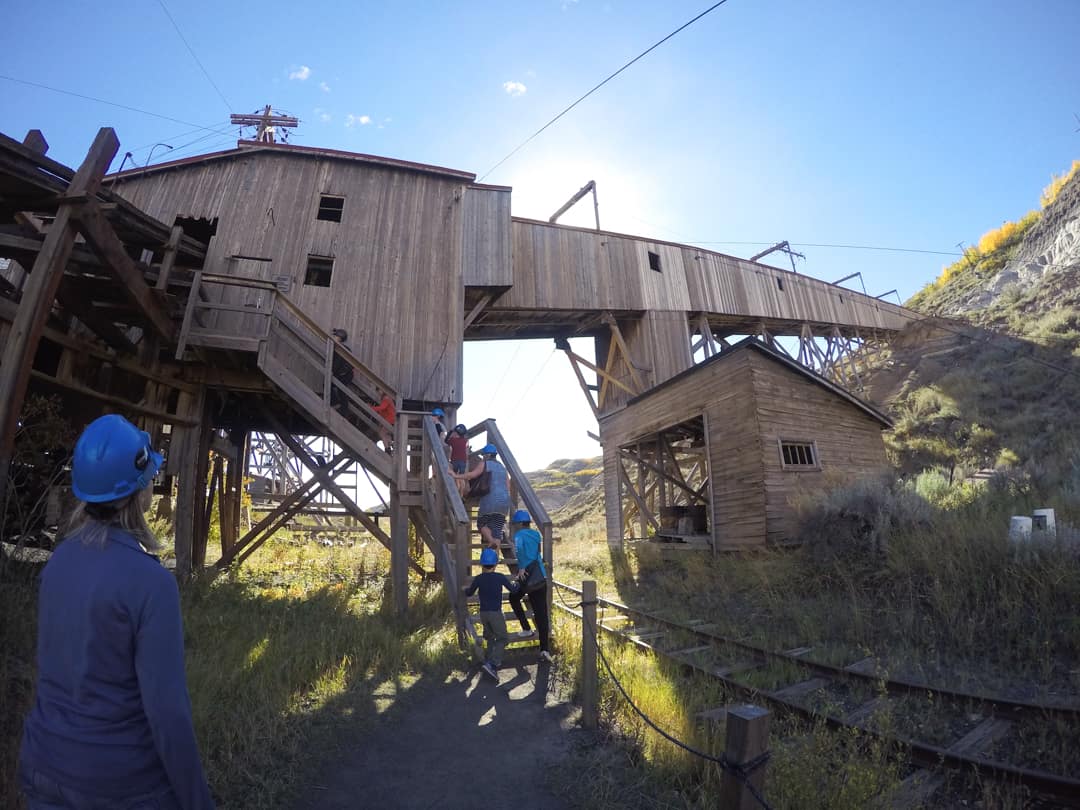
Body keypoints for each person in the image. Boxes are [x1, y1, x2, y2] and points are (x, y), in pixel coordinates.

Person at [19, 414, 215, 810]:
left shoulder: (57, 564)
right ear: (139, 491)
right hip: (119, 786)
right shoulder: (152, 585)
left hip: (43, 768)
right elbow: (168, 715)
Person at [462, 547, 520, 681]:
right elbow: (513, 590)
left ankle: (488, 661)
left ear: (482, 564)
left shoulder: (478, 578)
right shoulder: (500, 577)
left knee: (490, 637)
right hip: (495, 613)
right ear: (495, 564)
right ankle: (492, 664)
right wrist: (517, 582)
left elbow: (469, 593)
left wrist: (464, 590)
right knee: (503, 638)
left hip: (484, 613)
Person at [510, 509, 554, 663]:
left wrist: (521, 567)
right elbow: (537, 552)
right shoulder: (536, 534)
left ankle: (527, 629)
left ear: (521, 523)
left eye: (516, 523)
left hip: (527, 575)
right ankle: (545, 650)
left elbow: (520, 551)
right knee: (541, 613)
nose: (515, 526)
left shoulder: (518, 536)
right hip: (540, 575)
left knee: (513, 597)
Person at [330, 328, 354, 418]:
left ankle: (343, 411)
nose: (334, 337)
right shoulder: (336, 347)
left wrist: (332, 371)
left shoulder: (341, 348)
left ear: (339, 338)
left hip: (345, 374)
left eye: (335, 336)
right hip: (341, 374)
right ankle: (336, 403)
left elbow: (338, 363)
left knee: (342, 391)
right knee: (328, 384)